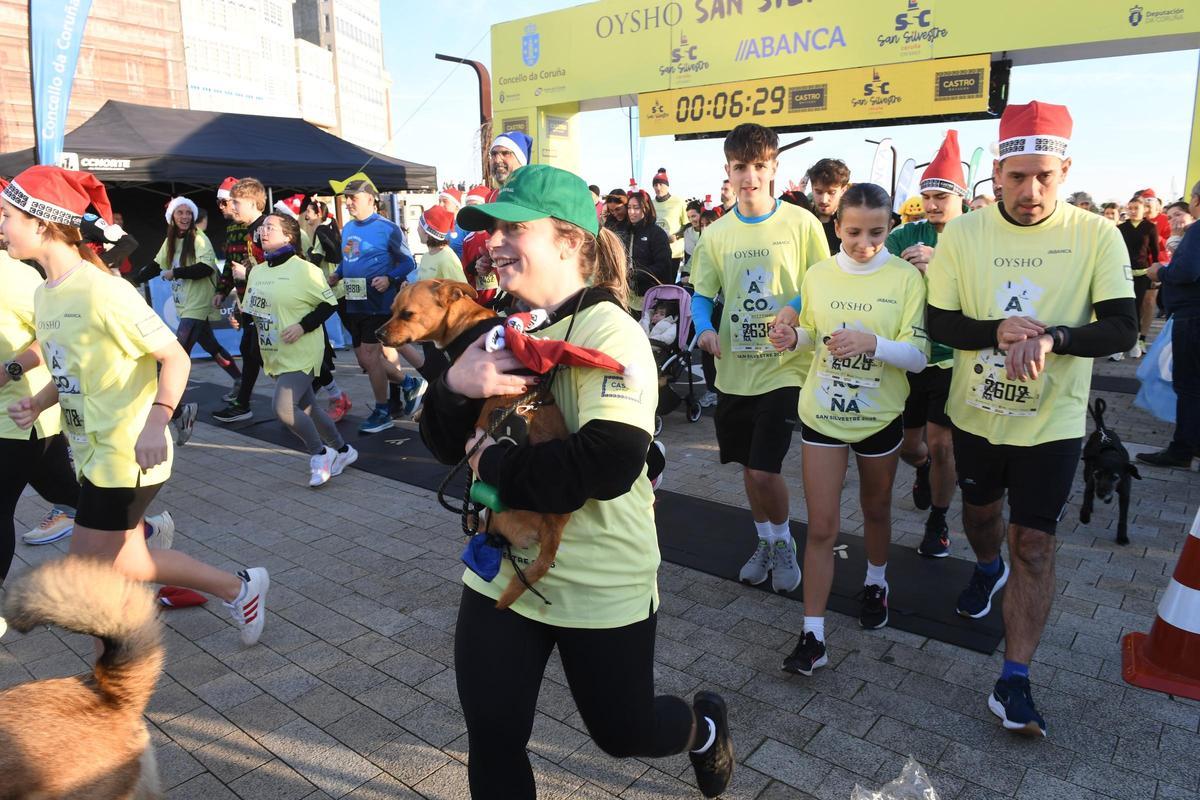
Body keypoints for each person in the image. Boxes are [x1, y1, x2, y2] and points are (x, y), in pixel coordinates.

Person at [419, 164, 733, 799]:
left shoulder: (612, 331)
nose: (494, 242)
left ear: (568, 241)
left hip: (599, 576)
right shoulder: (504, 327)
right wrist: (453, 386)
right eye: (490, 229)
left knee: (623, 732)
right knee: (493, 737)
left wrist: (491, 463)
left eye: (514, 229)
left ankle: (702, 730)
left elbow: (605, 465)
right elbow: (444, 443)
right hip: (503, 568)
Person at [926, 102, 1136, 736]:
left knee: (1036, 545)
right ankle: (987, 567)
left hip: (1053, 423)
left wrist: (1055, 338)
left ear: (1065, 171)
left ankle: (1013, 679)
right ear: (996, 173)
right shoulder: (963, 234)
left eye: (1044, 176)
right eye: (1017, 177)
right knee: (981, 518)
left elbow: (1122, 327)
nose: (1031, 191)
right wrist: (996, 330)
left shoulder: (1097, 234)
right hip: (976, 415)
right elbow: (939, 323)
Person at [1, 165, 270, 645]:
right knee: (126, 561)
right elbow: (70, 368)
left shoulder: (104, 290)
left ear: (40, 223)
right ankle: (239, 588)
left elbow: (174, 357)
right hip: (91, 451)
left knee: (87, 569)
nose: (0, 226)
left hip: (127, 452)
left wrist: (155, 421)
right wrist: (38, 401)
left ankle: (118, 665)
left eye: (6, 216)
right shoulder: (44, 293)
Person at [772, 183, 928, 674]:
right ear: (837, 226)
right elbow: (815, 334)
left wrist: (872, 343)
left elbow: (919, 356)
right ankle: (812, 635)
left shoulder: (906, 278)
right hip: (823, 413)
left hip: (879, 417)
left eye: (877, 232)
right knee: (822, 526)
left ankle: (876, 581)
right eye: (854, 231)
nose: (864, 243)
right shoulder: (819, 274)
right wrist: (792, 336)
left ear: (890, 227)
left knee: (876, 509)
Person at [690, 123, 830, 595]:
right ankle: (766, 541)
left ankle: (784, 541)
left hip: (785, 368)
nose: (749, 176)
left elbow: (821, 283)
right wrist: (705, 329)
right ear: (727, 171)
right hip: (734, 369)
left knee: (763, 469)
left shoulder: (802, 223)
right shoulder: (716, 234)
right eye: (739, 167)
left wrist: (795, 313)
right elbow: (702, 294)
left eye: (758, 166)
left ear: (774, 168)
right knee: (747, 467)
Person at [886, 130, 967, 558]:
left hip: (953, 359)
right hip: (911, 355)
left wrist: (940, 268)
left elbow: (984, 296)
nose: (933, 204)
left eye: (942, 196)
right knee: (909, 448)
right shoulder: (905, 235)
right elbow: (881, 277)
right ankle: (924, 471)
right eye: (928, 196)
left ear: (961, 197)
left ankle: (938, 519)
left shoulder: (975, 236)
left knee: (942, 444)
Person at [244, 211, 357, 486]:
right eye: (262, 227)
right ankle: (343, 450)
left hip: (303, 351)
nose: (263, 231)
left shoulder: (305, 269)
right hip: (275, 353)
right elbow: (253, 309)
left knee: (284, 408)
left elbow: (329, 304)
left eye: (270, 227)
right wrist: (242, 319)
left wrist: (303, 326)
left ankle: (320, 455)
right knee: (308, 407)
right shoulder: (257, 271)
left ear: (288, 236)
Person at [0, 216, 81, 575]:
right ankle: (139, 527)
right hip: (22, 422)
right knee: (66, 493)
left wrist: (10, 369)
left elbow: (55, 333)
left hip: (20, 415)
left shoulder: (12, 274)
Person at [137, 196, 243, 443]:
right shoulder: (171, 240)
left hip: (198, 302)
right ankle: (240, 380)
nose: (185, 217)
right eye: (180, 213)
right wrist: (132, 280)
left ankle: (180, 411)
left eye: (188, 213)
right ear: (172, 218)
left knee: (175, 357)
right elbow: (156, 265)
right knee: (211, 345)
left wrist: (176, 272)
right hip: (185, 304)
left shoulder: (198, 238)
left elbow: (206, 268)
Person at [327, 172, 422, 433]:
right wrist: (338, 273)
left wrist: (390, 278)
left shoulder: (387, 228)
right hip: (355, 302)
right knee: (364, 360)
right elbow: (349, 258)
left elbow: (408, 262)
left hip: (379, 303)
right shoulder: (348, 228)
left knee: (370, 357)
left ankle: (382, 412)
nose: (348, 202)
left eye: (353, 198)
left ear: (370, 200)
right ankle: (409, 384)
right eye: (346, 198)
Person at [1138, 182, 1200, 468]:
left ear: (1196, 200)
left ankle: (1182, 449)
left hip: (1193, 316)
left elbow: (1186, 271)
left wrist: (1160, 271)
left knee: (1188, 385)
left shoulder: (1197, 230)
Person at [212, 178, 270, 423]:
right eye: (226, 202)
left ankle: (326, 394)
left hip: (270, 303)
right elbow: (233, 264)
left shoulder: (267, 227)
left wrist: (248, 274)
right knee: (251, 351)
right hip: (251, 300)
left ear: (250, 203)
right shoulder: (238, 229)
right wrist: (225, 291)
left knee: (262, 352)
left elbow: (278, 265)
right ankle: (243, 403)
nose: (227, 207)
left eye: (231, 202)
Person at [301, 196, 352, 423]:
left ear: (319, 213)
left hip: (330, 290)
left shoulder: (321, 231)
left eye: (309, 211)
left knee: (360, 344)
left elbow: (316, 260)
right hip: (333, 289)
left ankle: (330, 387)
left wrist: (302, 262)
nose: (306, 215)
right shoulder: (327, 228)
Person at [1112, 196, 1159, 360]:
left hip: (1142, 274)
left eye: (1136, 208)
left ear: (1144, 209)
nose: (1132, 211)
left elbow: (1155, 252)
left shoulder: (1150, 227)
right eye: (1130, 208)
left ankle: (1135, 341)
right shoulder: (1121, 228)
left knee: (1137, 308)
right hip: (1123, 273)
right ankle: (1120, 344)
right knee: (1123, 307)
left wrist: (1156, 274)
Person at [624, 189, 674, 312]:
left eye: (636, 208)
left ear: (646, 209)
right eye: (629, 207)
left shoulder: (657, 233)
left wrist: (636, 274)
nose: (631, 212)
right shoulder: (628, 232)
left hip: (652, 296)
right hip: (629, 296)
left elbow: (664, 265)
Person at [807, 158, 851, 254]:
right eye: (818, 192)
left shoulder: (851, 223)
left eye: (831, 192)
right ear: (812, 188)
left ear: (843, 190)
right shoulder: (803, 220)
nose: (824, 200)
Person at [651, 168, 688, 274]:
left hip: (674, 252)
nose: (658, 188)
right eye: (655, 185)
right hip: (655, 251)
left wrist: (676, 236)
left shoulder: (679, 202)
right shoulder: (650, 203)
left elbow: (688, 225)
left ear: (667, 186)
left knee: (669, 282)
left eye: (661, 184)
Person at [681, 199, 704, 281]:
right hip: (689, 270)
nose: (691, 220)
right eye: (689, 217)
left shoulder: (709, 231)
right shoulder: (687, 231)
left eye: (693, 216)